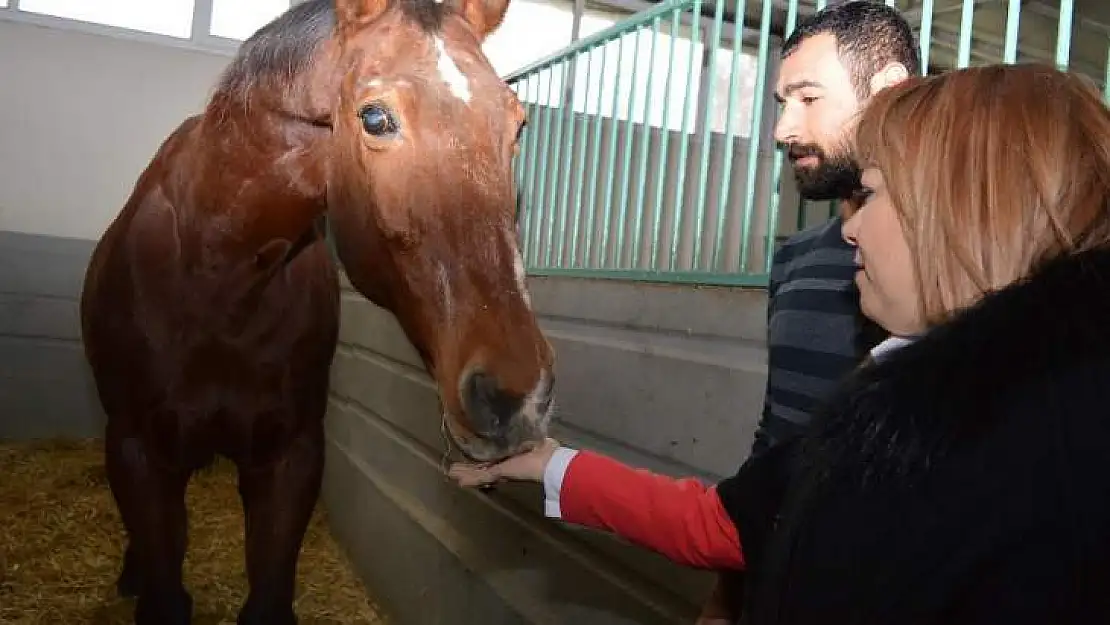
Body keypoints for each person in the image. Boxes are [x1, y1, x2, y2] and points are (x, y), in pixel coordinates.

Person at [449, 62, 1110, 624]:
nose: (848, 230)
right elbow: (730, 522)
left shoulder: (1039, 483)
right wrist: (548, 464)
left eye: (871, 196)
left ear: (962, 211)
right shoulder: (901, 403)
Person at [700, 2, 920, 621]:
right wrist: (727, 593)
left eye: (807, 98)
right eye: (779, 103)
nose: (781, 129)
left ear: (888, 91)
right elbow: (774, 437)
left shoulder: (954, 262)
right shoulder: (793, 259)